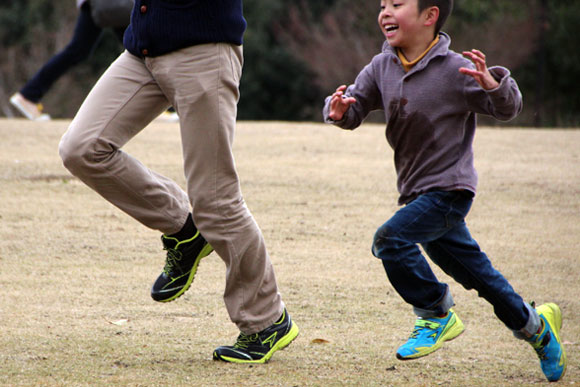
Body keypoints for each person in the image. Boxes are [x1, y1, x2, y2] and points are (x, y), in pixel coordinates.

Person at [322, 0, 566, 382]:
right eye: (382, 4)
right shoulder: (381, 66)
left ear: (429, 15)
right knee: (482, 278)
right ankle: (538, 330)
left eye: (397, 4)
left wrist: (495, 85)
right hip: (417, 195)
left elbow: (509, 108)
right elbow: (354, 105)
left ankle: (435, 313)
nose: (385, 11)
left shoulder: (456, 69)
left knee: (390, 239)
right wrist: (338, 111)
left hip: (450, 191)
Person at [58, 0, 298, 363]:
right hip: (142, 50)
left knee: (216, 201)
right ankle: (185, 229)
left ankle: (266, 321)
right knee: (82, 148)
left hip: (204, 52)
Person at [10, 0, 127, 121]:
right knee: (134, 50)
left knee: (133, 50)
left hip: (106, 5)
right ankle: (29, 95)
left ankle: (29, 94)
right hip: (107, 4)